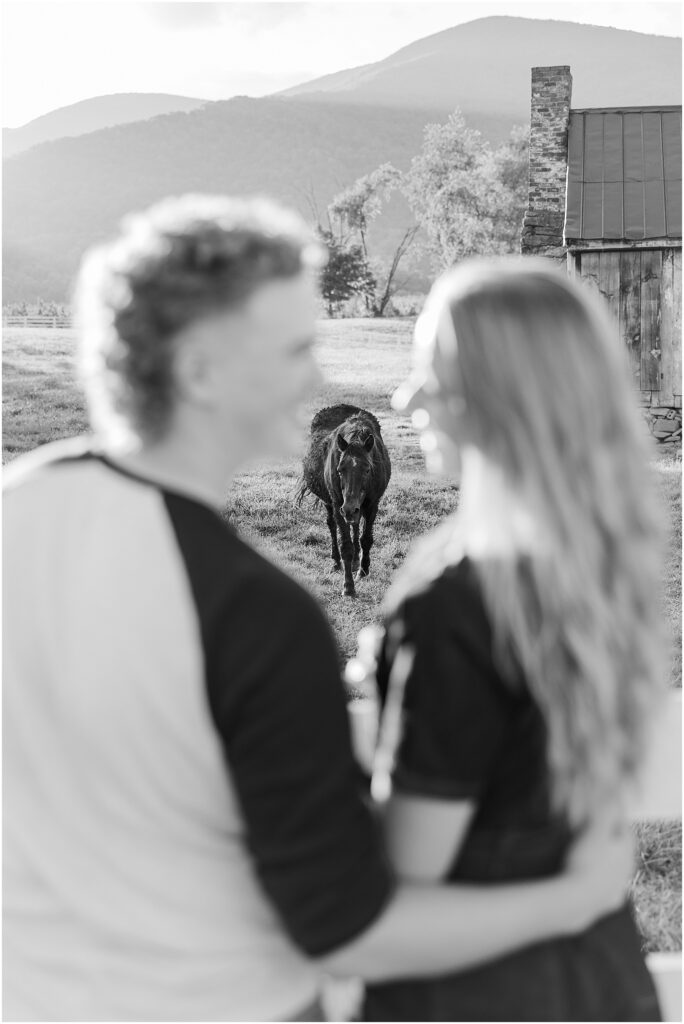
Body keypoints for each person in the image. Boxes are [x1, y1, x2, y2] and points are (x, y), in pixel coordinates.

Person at [4, 197, 635, 1022]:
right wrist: (576, 897)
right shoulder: (252, 611)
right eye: (297, 349)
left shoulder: (19, 511)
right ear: (199, 371)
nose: (316, 383)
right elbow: (347, 924)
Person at [354, 258, 666, 1022]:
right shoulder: (595, 567)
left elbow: (396, 895)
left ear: (504, 395)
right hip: (602, 987)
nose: (406, 397)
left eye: (433, 372)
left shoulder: (457, 601)